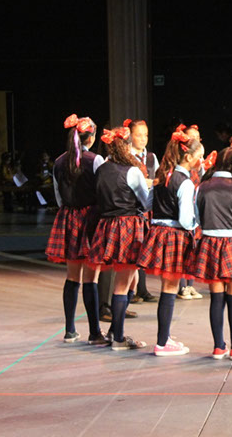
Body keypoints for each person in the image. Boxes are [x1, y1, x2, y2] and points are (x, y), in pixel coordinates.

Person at [137, 126, 204, 356]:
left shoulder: (162, 176)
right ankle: (162, 342)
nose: (200, 161)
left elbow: (146, 204)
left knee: (168, 287)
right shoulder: (184, 182)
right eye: (199, 157)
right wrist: (197, 223)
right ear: (189, 157)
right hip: (175, 235)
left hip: (158, 233)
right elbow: (185, 220)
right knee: (170, 288)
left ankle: (164, 337)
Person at [187, 147, 232, 361]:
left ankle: (218, 347)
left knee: (216, 298)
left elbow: (196, 216)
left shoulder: (202, 186)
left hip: (210, 242)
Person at [87, 125, 151, 351]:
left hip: (106, 225)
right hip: (128, 226)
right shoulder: (132, 171)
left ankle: (115, 330)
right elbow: (145, 201)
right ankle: (119, 338)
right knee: (123, 284)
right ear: (126, 146)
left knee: (130, 280)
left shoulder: (102, 169)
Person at [45, 114, 107, 345]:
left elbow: (58, 196)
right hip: (91, 219)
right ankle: (94, 332)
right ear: (91, 137)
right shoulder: (96, 160)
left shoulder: (59, 162)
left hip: (69, 217)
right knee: (91, 279)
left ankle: (70, 330)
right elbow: (102, 191)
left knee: (72, 277)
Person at [126, 118, 159, 304]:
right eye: (138, 135)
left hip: (148, 207)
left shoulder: (151, 157)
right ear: (130, 136)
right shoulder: (126, 157)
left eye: (145, 135)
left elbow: (159, 177)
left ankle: (143, 289)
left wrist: (153, 183)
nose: (143, 139)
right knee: (133, 248)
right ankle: (131, 290)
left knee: (145, 247)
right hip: (132, 206)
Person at [176, 124, 206, 301]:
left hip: (196, 205)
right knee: (183, 249)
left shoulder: (199, 161)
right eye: (191, 136)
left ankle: (190, 284)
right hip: (184, 207)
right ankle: (182, 286)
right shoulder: (181, 166)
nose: (195, 139)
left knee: (194, 248)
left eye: (197, 136)